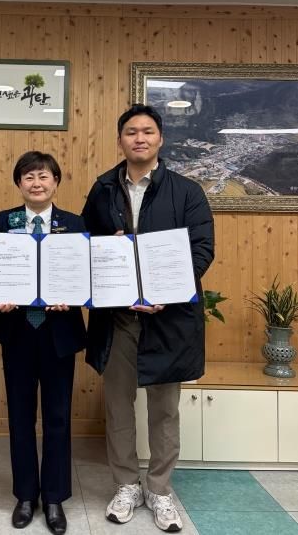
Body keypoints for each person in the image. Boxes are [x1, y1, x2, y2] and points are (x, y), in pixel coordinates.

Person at [81, 104, 214, 533]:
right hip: (117, 318)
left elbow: (201, 249)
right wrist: (109, 244)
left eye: (148, 131)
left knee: (164, 410)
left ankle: (159, 488)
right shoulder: (103, 188)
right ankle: (126, 485)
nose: (139, 138)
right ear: (120, 139)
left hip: (168, 319)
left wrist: (165, 293)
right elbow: (85, 244)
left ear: (160, 139)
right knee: (118, 406)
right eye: (131, 132)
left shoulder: (186, 191)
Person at [0, 151, 87, 535]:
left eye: (43, 176)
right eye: (29, 177)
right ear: (19, 183)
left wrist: (72, 295)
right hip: (18, 330)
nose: (36, 183)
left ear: (55, 182)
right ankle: (26, 495)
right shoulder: (4, 221)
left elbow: (82, 272)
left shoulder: (74, 224)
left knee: (58, 416)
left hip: (59, 331)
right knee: (21, 416)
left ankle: (54, 497)